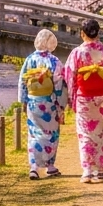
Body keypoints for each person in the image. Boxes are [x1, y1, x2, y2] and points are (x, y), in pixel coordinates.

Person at [62, 19, 103, 183]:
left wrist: (71, 97)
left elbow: (70, 76)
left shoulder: (77, 53)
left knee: (85, 133)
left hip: (84, 97)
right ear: (98, 33)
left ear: (82, 33)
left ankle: (87, 170)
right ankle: (99, 171)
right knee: (101, 132)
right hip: (102, 97)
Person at [19, 28, 69, 180]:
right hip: (49, 102)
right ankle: (50, 166)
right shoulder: (54, 61)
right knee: (51, 134)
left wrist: (23, 101)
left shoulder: (29, 59)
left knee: (33, 134)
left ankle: (34, 167)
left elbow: (22, 81)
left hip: (33, 103)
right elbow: (59, 84)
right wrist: (61, 105)